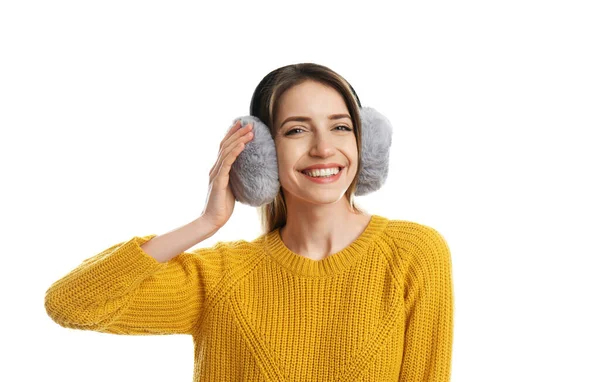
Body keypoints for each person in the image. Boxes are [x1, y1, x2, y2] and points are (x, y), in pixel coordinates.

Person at [45, 63, 454, 381]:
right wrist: (206, 222)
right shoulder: (222, 277)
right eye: (297, 130)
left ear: (365, 142)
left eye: (340, 127)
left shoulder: (414, 254)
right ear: (261, 155)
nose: (324, 148)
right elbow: (71, 303)